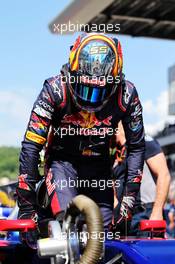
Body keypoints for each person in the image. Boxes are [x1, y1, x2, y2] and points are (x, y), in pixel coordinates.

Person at [16, 33, 145, 240]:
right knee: (67, 223)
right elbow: (31, 146)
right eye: (85, 88)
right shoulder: (54, 89)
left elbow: (137, 147)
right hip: (62, 163)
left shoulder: (127, 94)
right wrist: (26, 205)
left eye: (99, 91)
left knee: (102, 238)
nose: (91, 100)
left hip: (99, 169)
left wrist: (129, 198)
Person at [113, 132, 171, 236]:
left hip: (145, 213)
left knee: (148, 251)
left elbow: (164, 174)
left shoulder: (141, 139)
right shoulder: (111, 149)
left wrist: (157, 212)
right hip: (122, 217)